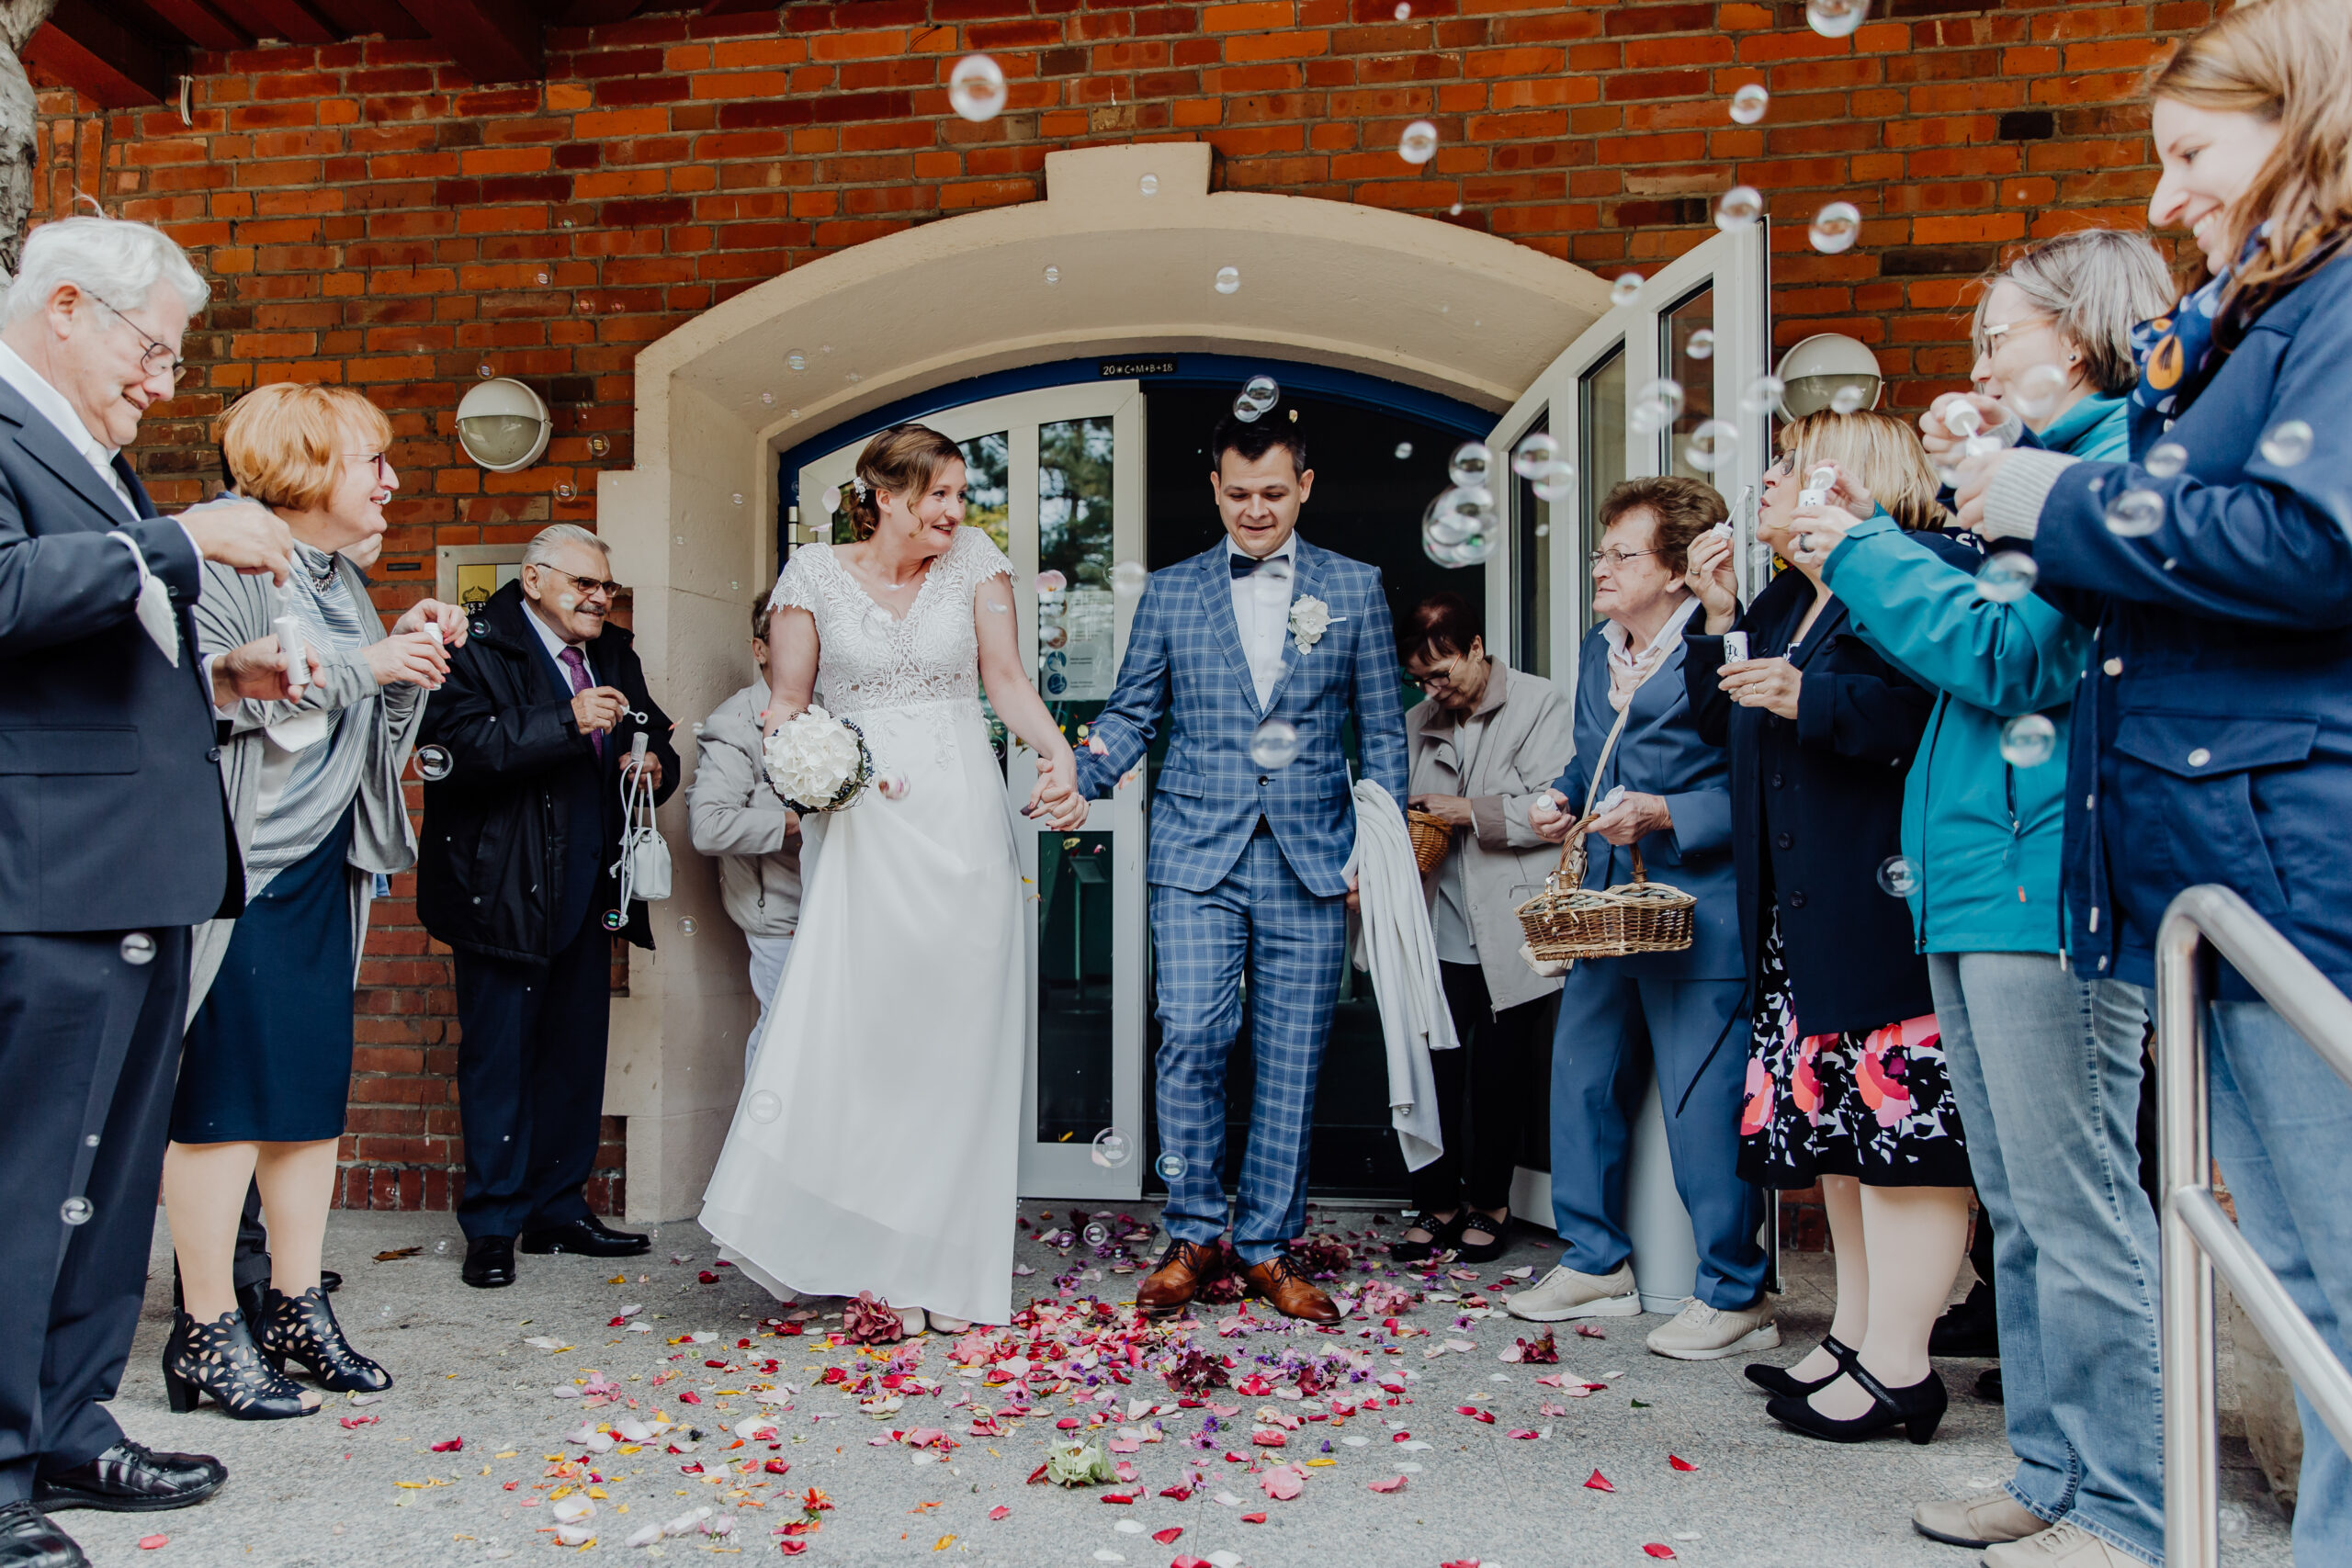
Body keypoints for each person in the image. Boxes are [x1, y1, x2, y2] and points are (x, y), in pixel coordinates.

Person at [1954, 0, 2352, 1555]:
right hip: (2216, 866)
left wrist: (2058, 499)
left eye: (2193, 154)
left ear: (2306, 118)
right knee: (2307, 1289)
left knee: (2335, 1283)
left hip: (2288, 869)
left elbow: (2314, 545)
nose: (2170, 195)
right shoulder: (2264, 318)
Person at [0, 217, 313, 1568]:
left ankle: (67, 1420)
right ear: (65, 304)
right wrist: (177, 542)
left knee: (105, 1180)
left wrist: (220, 683)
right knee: (23, 1180)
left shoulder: (92, 449)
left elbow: (86, 650)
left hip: (136, 860)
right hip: (43, 865)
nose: (162, 380)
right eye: (153, 346)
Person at [701, 424, 1083, 1335]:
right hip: (865, 827)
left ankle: (951, 1270)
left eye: (959, 493)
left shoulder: (980, 568)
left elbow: (1006, 682)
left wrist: (1056, 754)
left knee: (960, 1041)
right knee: (877, 1044)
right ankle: (879, 1266)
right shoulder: (811, 580)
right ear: (881, 495)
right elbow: (786, 710)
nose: (954, 511)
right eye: (936, 495)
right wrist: (811, 768)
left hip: (960, 820)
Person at [161, 384, 464, 1417]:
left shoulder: (338, 577)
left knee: (306, 1103)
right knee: (224, 1106)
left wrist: (407, 661)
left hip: (327, 868)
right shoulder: (218, 567)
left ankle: (295, 1307)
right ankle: (205, 1328)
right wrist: (363, 663)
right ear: (302, 466)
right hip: (243, 868)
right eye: (368, 461)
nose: (388, 481)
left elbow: (363, 730)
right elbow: (199, 703)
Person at [1913, 231, 2179, 1389]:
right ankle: (2051, 1479)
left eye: (1995, 335)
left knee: (2076, 1210)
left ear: (2074, 340)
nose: (1973, 362)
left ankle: (2125, 1510)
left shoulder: (2108, 468)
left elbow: (2012, 660)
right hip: (1981, 871)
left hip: (2046, 874)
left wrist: (1865, 548)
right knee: (2018, 1208)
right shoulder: (2024, 471)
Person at [1072, 412, 1408, 1325]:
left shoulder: (1356, 587)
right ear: (1214, 492)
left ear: (1304, 486)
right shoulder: (1175, 593)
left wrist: (1372, 849)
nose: (1253, 510)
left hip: (1311, 857)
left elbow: (1380, 731)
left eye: (1270, 493)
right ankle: (1192, 1235)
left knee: (1292, 1058)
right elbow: (1134, 713)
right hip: (1193, 853)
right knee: (1189, 1037)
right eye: (1235, 494)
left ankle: (1265, 1245)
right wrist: (1076, 771)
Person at [1681, 412, 1977, 1445]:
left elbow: (1931, 711)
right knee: (1844, 1141)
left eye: (1783, 463)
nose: (1760, 481)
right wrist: (1720, 614)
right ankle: (1855, 1337)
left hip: (1872, 900)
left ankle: (1902, 1364)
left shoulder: (1917, 571)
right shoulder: (1787, 598)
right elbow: (1721, 720)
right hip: (1799, 912)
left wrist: (1810, 697)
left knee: (1904, 1139)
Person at [1506, 477, 1768, 1362]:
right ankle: (1596, 1259)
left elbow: (1765, 787)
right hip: (1604, 912)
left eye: (1621, 554)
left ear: (1681, 569)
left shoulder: (1731, 647)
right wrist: (1559, 798)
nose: (1601, 569)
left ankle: (1734, 1287)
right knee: (1578, 1077)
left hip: (1703, 911)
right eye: (1600, 552)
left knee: (1704, 1106)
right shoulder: (1596, 649)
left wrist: (1668, 813)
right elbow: (1593, 761)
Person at [417, 523, 679, 1290]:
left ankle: (558, 1211)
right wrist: (566, 722)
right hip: (499, 888)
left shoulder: (612, 650)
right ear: (533, 579)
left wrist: (650, 761)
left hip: (589, 888)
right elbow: (451, 749)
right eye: (584, 585)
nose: (600, 598)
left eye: (607, 587)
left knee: (572, 1057)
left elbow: (647, 725)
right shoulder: (477, 643)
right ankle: (494, 1225)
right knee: (499, 1061)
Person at [1394, 591, 1571, 1263]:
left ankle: (1491, 1203)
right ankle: (1435, 1201)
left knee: (1500, 1077)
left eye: (1443, 673)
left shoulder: (1540, 702)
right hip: (1436, 925)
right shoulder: (1418, 720)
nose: (1434, 688)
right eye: (1421, 678)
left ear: (1476, 648)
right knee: (1432, 1073)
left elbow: (1558, 805)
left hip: (1512, 922)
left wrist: (1466, 810)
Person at [688, 595, 804, 1077]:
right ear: (759, 650)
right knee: (782, 1038)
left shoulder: (834, 713)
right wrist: (794, 820)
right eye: (788, 641)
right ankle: (758, 1149)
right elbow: (708, 825)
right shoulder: (735, 723)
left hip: (836, 907)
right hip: (777, 915)